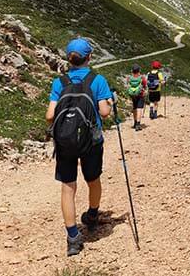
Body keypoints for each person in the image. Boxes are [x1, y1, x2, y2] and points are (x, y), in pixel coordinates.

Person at [45, 38, 113, 256]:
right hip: (91, 141)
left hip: (65, 141)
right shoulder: (97, 80)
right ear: (89, 57)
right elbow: (104, 112)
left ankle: (73, 237)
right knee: (93, 180)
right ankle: (92, 214)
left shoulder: (59, 82)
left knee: (68, 187)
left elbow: (49, 115)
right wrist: (110, 103)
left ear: (69, 58)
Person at [125, 64, 146, 131]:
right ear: (139, 70)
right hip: (140, 94)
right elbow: (145, 84)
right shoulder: (141, 78)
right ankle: (138, 124)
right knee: (139, 108)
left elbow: (127, 84)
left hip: (132, 95)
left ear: (132, 70)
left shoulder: (129, 78)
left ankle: (135, 122)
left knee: (135, 108)